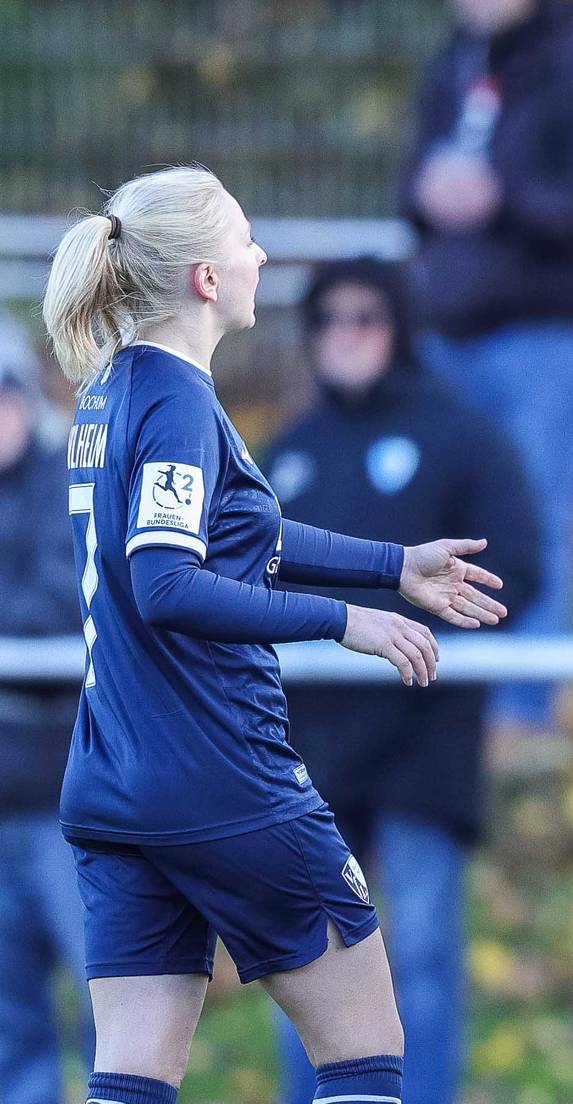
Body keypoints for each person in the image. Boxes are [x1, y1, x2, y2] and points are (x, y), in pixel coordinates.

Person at [39, 166, 509, 1104]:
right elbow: (170, 583)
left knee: (130, 1077)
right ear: (206, 279)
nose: (260, 256)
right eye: (246, 239)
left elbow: (236, 536)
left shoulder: (108, 394)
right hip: (222, 776)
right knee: (367, 1052)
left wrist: (391, 564)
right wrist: (346, 622)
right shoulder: (174, 399)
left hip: (114, 781)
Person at [261, 259, 545, 1104]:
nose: (346, 336)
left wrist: (402, 624)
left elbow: (519, 571)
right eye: (330, 321)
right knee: (303, 959)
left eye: (367, 318)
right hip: (305, 746)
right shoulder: (290, 452)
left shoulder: (460, 436)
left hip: (425, 738)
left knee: (418, 953)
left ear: (400, 329)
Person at [399, 0, 573, 712]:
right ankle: (439, 694)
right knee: (438, 517)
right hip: (447, 337)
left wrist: (504, 200)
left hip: (537, 341)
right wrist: (425, 195)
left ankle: (526, 712)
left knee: (534, 518)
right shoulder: (453, 65)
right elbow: (415, 184)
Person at [0, 326, 86, 1104]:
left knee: (111, 1011)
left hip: (69, 805)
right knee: (9, 1024)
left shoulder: (73, 486)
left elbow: (64, 604)